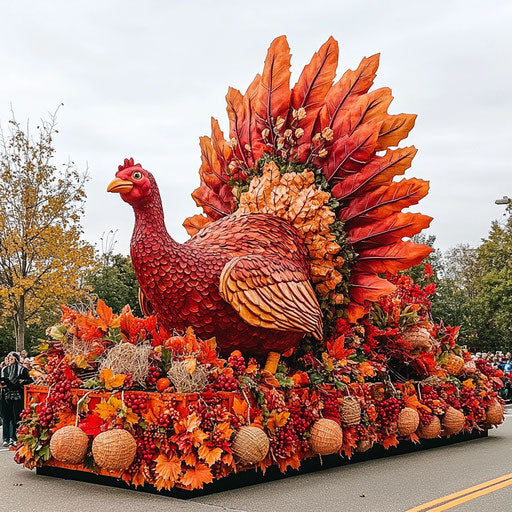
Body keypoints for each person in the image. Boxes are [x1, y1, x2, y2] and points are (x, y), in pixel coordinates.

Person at [0, 352, 33, 447]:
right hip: (7, 395)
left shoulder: (22, 369)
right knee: (7, 417)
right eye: (9, 359)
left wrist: (21, 382)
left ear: (16, 359)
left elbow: (30, 380)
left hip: (18, 396)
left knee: (17, 417)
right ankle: (9, 438)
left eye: (12, 359)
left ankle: (16, 437)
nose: (10, 361)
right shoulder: (5, 369)